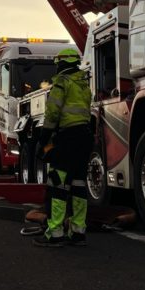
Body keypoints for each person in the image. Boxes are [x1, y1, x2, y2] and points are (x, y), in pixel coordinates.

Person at [34, 47, 93, 247]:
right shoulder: (84, 83)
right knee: (78, 185)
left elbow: (52, 113)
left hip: (67, 137)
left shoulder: (61, 82)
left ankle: (55, 233)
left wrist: (44, 138)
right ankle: (77, 232)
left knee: (57, 184)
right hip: (84, 137)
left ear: (63, 63)